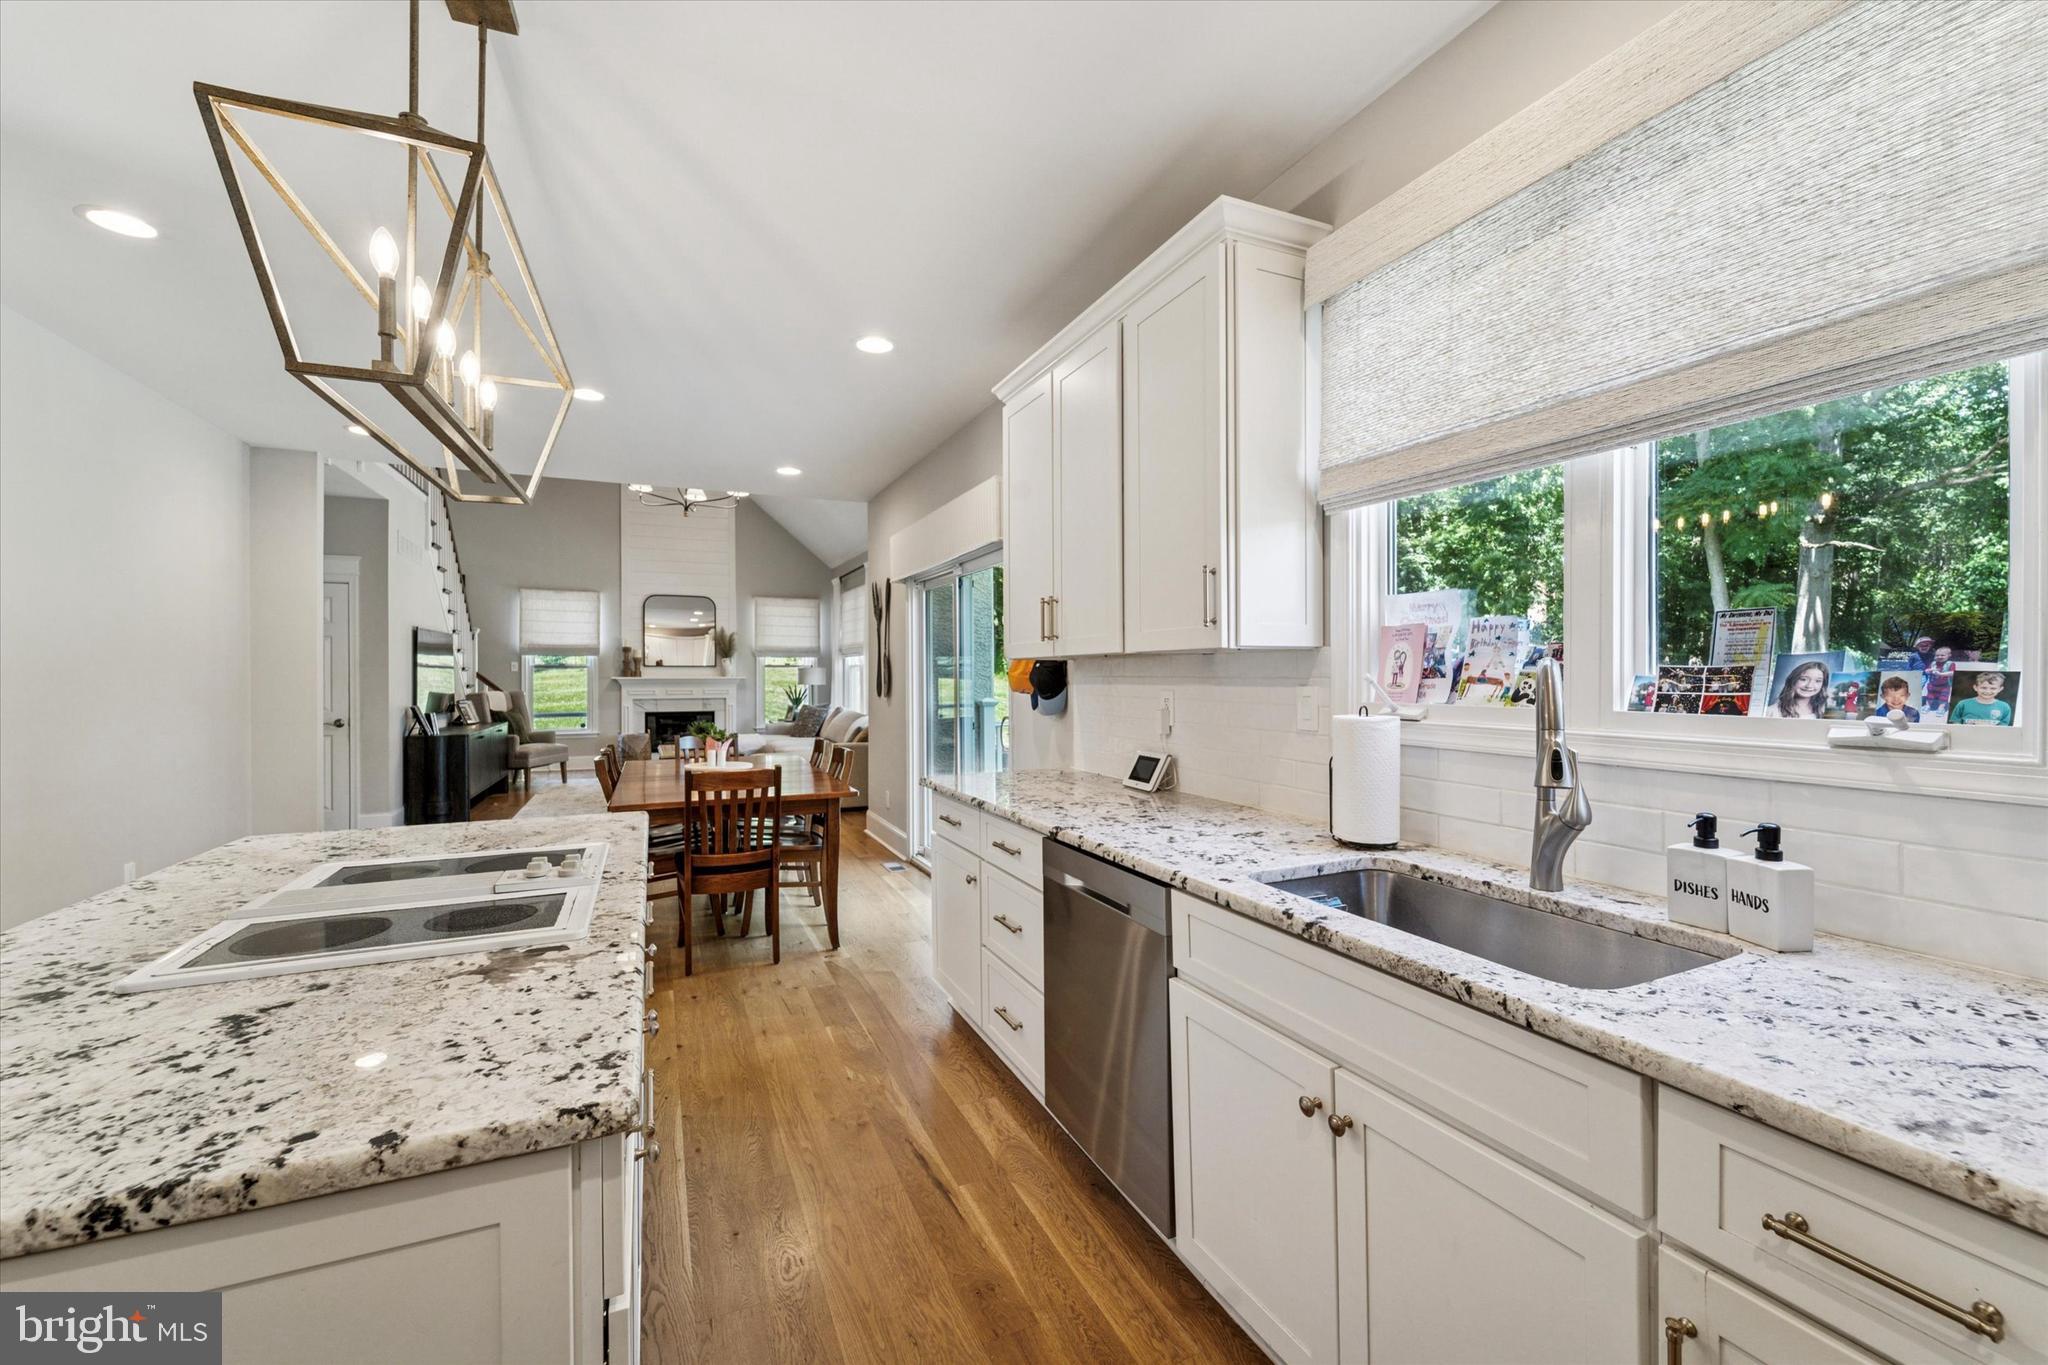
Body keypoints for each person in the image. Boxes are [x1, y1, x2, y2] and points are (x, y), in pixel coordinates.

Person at [1948, 670, 2014, 726]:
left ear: (2000, 689)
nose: (1988, 691)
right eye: (1984, 688)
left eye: (1993, 688)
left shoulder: (2004, 707)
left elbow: (2004, 728)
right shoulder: (1963, 704)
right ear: (1975, 687)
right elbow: (1955, 723)